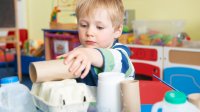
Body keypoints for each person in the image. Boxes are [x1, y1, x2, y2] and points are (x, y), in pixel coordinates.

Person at [57, 0, 135, 86]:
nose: (89, 32)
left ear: (117, 31)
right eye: (83, 25)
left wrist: (89, 54)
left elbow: (117, 61)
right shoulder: (79, 51)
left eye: (99, 27)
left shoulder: (120, 53)